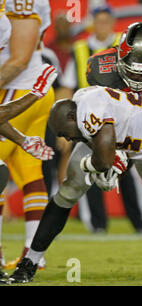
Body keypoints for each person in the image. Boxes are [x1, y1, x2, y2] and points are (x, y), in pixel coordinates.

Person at [7, 22, 142, 283]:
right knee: (68, 190)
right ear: (118, 56)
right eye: (132, 71)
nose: (139, 79)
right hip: (108, 133)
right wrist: (109, 157)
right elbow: (101, 119)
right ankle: (30, 262)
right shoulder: (101, 69)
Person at [60, 4, 142, 233]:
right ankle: (97, 225)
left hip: (121, 121)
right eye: (99, 21)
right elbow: (67, 87)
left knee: (126, 172)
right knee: (89, 171)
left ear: (112, 23)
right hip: (88, 123)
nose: (102, 26)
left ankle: (140, 223)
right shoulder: (80, 49)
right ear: (92, 23)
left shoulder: (123, 46)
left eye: (106, 21)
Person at [0, 0, 54, 271]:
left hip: (20, 88)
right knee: (30, 173)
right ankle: (33, 255)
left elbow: (20, 58)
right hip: (28, 87)